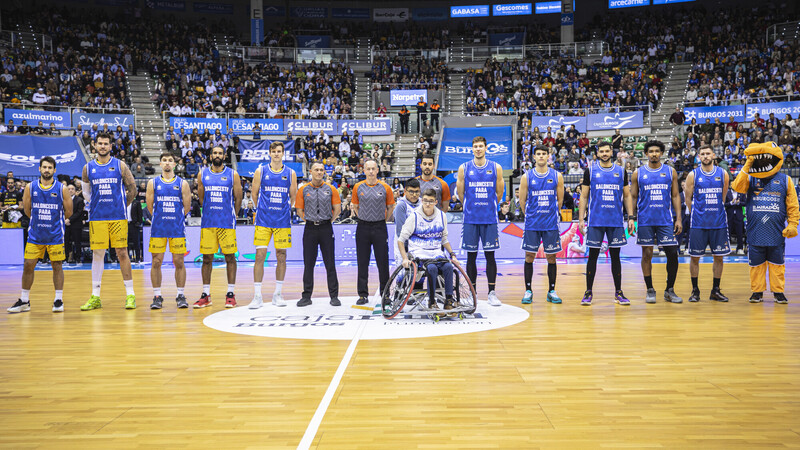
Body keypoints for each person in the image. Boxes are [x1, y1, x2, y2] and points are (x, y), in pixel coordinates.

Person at [731, 142, 799, 304]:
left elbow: (793, 205)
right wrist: (747, 165)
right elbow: (737, 187)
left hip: (776, 231)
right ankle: (757, 291)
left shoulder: (786, 180)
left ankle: (778, 292)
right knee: (756, 265)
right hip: (755, 231)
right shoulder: (750, 178)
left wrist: (793, 224)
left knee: (777, 264)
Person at [80, 132, 138, 311]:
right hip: (97, 217)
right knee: (98, 254)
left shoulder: (120, 165)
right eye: (100, 143)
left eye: (106, 143)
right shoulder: (88, 168)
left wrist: (121, 204)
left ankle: (130, 295)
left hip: (118, 216)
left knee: (122, 253)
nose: (103, 146)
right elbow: (86, 193)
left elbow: (133, 189)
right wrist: (96, 204)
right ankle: (95, 296)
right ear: (95, 146)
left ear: (111, 146)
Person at [8, 157, 72, 313]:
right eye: (44, 167)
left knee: (57, 266)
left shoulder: (61, 188)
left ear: (54, 170)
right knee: (28, 265)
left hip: (55, 234)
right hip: (35, 235)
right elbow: (27, 210)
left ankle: (58, 299)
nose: (47, 170)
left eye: (50, 167)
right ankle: (24, 300)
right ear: (39, 169)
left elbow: (68, 211)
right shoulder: (30, 187)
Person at [578, 141, 635, 306]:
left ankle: (618, 292)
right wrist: (581, 219)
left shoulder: (620, 171)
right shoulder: (591, 170)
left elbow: (627, 196)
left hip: (615, 221)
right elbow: (584, 196)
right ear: (597, 153)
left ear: (612, 152)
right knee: (593, 257)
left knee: (615, 257)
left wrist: (631, 217)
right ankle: (588, 292)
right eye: (601, 151)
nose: (604, 153)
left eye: (607, 151)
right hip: (596, 221)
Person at [630, 141, 683, 304]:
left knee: (673, 254)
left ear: (661, 153)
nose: (654, 154)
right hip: (645, 220)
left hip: (665, 220)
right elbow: (632, 197)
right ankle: (650, 289)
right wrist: (631, 218)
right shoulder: (637, 173)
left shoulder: (670, 171)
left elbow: (675, 196)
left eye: (657, 151)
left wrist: (678, 218)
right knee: (647, 254)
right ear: (646, 154)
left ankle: (669, 290)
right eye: (651, 151)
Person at [456, 136, 505, 306]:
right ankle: (472, 292)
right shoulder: (464, 168)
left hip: (489, 218)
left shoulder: (495, 167)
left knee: (490, 256)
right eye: (475, 146)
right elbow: (460, 194)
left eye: (481, 146)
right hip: (470, 219)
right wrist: (471, 206)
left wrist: (489, 205)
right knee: (471, 257)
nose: (478, 149)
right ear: (472, 149)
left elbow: (499, 193)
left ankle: (491, 292)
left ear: (486, 148)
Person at [249, 142, 297, 309]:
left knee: (281, 256)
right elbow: (254, 195)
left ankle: (277, 294)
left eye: (279, 151)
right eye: (274, 151)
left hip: (282, 221)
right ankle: (257, 296)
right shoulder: (260, 171)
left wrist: (283, 211)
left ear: (283, 153)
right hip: (263, 221)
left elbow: (293, 197)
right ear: (269, 153)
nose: (276, 154)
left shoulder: (291, 173)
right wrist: (261, 209)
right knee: (260, 255)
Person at [195, 146, 243, 308]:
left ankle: (230, 293)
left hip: (226, 222)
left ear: (224, 156)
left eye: (220, 153)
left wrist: (233, 214)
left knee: (230, 257)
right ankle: (206, 294)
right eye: (215, 153)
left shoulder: (232, 174)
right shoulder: (202, 173)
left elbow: (238, 197)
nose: (217, 155)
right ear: (210, 156)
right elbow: (202, 198)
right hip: (208, 222)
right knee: (207, 258)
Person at [397, 189, 460, 310]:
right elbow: (401, 240)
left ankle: (448, 301)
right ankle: (432, 302)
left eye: (431, 201)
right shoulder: (414, 217)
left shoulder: (442, 216)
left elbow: (444, 239)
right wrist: (405, 258)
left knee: (448, 267)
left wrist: (452, 254)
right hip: (419, 254)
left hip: (436, 254)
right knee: (431, 268)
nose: (427, 204)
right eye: (425, 201)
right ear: (421, 201)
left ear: (436, 202)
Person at [517, 146, 564, 305]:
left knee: (551, 257)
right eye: (538, 154)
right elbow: (522, 201)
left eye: (544, 154)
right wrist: (530, 215)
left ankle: (552, 290)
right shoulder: (527, 177)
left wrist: (552, 213)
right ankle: (528, 290)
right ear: (534, 157)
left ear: (548, 156)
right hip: (533, 223)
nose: (541, 156)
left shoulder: (557, 176)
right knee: (529, 256)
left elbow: (560, 200)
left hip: (550, 223)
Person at [684, 145, 731, 302]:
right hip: (698, 223)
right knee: (695, 258)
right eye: (702, 154)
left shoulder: (723, 173)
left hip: (718, 223)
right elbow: (687, 199)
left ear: (713, 155)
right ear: (699, 157)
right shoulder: (693, 175)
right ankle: (695, 291)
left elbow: (723, 197)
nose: (705, 156)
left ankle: (715, 291)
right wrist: (696, 213)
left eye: (708, 153)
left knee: (719, 257)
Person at [146, 153, 191, 310]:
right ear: (160, 163)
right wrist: (161, 218)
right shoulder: (153, 182)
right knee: (156, 262)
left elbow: (186, 207)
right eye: (164, 160)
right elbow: (150, 206)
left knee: (179, 261)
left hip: (177, 228)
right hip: (158, 229)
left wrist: (174, 218)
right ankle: (157, 295)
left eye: (170, 160)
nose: (167, 163)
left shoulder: (182, 183)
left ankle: (180, 294)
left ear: (174, 164)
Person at [295, 162, 341, 307]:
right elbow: (299, 211)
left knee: (330, 263)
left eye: (321, 170)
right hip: (310, 229)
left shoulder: (331, 189)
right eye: (316, 170)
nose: (319, 172)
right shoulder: (303, 190)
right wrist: (311, 220)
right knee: (309, 264)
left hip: (326, 228)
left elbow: (337, 209)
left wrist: (327, 221)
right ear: (311, 171)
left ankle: (334, 296)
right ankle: (306, 296)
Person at [352, 159, 395, 305]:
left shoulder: (385, 188)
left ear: (377, 170)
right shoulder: (358, 187)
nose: (370, 171)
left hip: (380, 227)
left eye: (373, 168)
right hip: (362, 227)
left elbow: (390, 207)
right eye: (368, 169)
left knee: (383, 263)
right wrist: (364, 218)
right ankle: (363, 295)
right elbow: (356, 207)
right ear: (363, 171)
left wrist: (381, 220)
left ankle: (386, 294)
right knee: (362, 262)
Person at [393, 179, 421, 264]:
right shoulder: (401, 205)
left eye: (417, 192)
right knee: (403, 274)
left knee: (420, 274)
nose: (414, 195)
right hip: (403, 243)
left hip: (418, 243)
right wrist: (405, 249)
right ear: (405, 191)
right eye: (411, 192)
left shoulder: (423, 203)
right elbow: (400, 231)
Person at [65, 183, 85, 263]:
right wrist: (65, 220)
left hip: (76, 224)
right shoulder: (63, 200)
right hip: (65, 224)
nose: (70, 190)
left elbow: (79, 212)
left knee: (77, 242)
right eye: (69, 189)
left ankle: (78, 258)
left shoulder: (79, 200)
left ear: (75, 190)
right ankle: (65, 258)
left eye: (72, 189)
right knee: (66, 242)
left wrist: (69, 220)